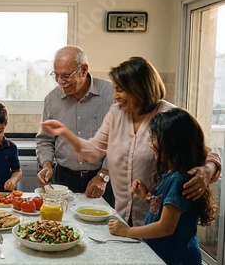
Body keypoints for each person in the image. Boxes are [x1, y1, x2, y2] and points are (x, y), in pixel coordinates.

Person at [41, 56, 221, 226]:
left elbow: (207, 153)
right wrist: (65, 132)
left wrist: (206, 170)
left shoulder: (170, 116)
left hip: (159, 220)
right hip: (120, 215)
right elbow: (92, 152)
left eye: (120, 90)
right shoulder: (116, 113)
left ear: (139, 89)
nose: (115, 96)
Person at [109, 108, 217, 265]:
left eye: (154, 138)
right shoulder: (169, 173)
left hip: (177, 259)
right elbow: (168, 207)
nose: (150, 144)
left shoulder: (179, 180)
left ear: (171, 144)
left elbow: (165, 227)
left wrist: (127, 231)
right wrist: (147, 196)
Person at [36, 45, 115, 207]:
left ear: (84, 70)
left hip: (103, 179)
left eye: (65, 75)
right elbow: (45, 140)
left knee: (102, 229)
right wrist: (47, 164)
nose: (60, 81)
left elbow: (120, 140)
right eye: (56, 75)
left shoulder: (111, 94)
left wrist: (104, 175)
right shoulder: (52, 99)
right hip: (64, 179)